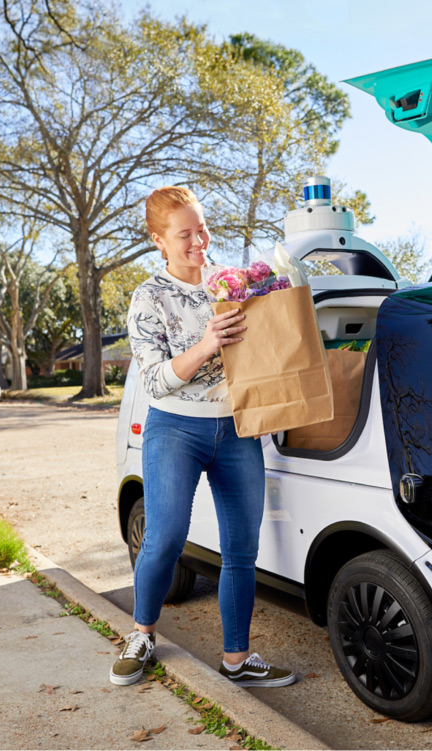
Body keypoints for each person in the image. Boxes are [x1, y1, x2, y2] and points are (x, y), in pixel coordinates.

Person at [110, 186, 295, 688]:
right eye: (184, 233)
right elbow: (154, 381)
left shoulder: (230, 284)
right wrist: (207, 342)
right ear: (160, 241)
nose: (198, 241)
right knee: (166, 537)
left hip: (238, 429)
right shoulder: (149, 297)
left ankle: (237, 659)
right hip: (175, 428)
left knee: (241, 549)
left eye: (202, 228)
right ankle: (143, 635)